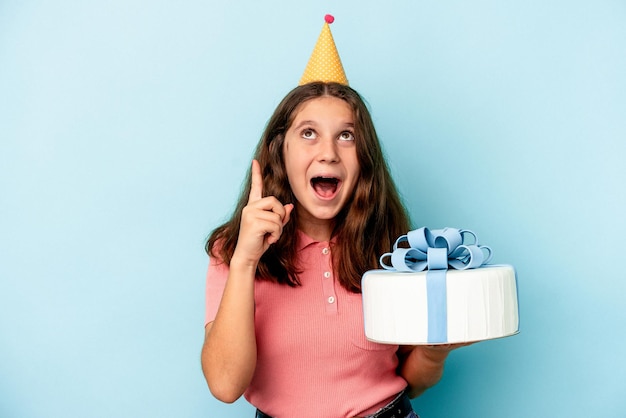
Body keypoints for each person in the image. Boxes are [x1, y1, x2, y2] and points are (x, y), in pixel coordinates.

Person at [201, 16, 466, 418]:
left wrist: (433, 352)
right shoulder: (233, 250)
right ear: (281, 150)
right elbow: (224, 385)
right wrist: (245, 261)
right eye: (309, 133)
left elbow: (412, 381)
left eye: (346, 135)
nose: (328, 152)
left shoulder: (395, 248)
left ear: (363, 159)